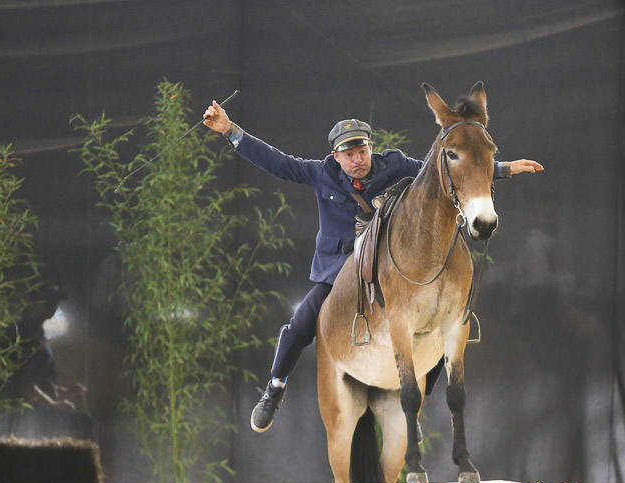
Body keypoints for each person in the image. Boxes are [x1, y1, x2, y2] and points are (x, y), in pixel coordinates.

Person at [202, 98, 543, 433]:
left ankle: (414, 407)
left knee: (444, 326)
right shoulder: (321, 173)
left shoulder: (394, 164)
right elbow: (276, 162)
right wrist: (230, 130)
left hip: (391, 267)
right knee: (299, 326)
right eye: (349, 155)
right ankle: (275, 389)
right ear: (336, 156)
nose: (358, 160)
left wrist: (503, 169)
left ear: (370, 147)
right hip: (339, 270)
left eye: (362, 151)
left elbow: (445, 169)